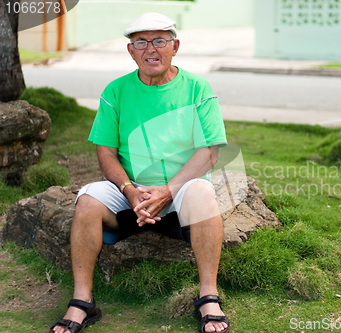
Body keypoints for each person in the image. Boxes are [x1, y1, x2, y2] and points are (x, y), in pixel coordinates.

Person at [50, 12, 230, 333]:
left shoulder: (197, 88)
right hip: (130, 188)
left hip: (181, 188)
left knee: (203, 192)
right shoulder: (116, 91)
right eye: (141, 42)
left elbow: (209, 152)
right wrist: (130, 191)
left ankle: (208, 296)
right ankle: (82, 302)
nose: (151, 49)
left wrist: (167, 191)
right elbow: (105, 152)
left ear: (175, 46)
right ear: (130, 51)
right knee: (88, 200)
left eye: (159, 40)